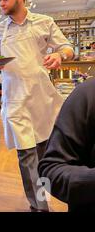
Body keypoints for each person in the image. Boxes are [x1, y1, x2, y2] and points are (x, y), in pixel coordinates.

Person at [0, 0, 74, 212]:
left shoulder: (44, 22)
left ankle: (48, 195)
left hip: (41, 99)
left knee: (45, 158)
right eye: (0, 0)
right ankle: (39, 206)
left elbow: (68, 47)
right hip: (15, 99)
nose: (1, 4)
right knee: (26, 159)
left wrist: (59, 55)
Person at [38, 78, 95, 211]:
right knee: (28, 157)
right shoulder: (88, 94)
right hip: (31, 115)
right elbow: (51, 168)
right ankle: (40, 205)